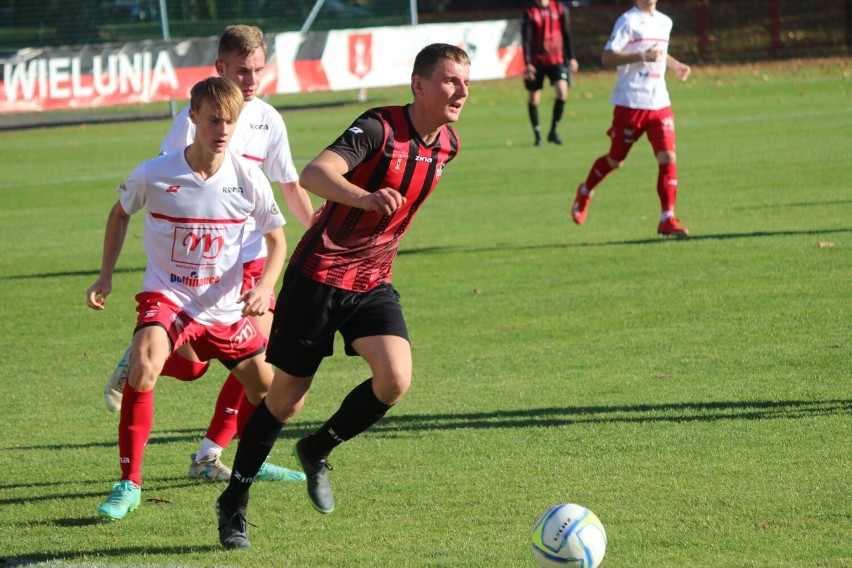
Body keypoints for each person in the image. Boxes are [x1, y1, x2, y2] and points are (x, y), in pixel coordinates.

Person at [213, 42, 470, 549]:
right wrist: (364, 197)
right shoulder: (378, 126)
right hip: (319, 275)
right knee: (285, 398)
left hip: (372, 280)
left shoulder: (449, 146)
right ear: (419, 84)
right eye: (449, 81)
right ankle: (234, 501)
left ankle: (317, 448)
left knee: (395, 377)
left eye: (465, 82)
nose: (461, 91)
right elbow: (314, 174)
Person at [103, 25, 314, 482]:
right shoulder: (194, 117)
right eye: (243, 71)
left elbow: (288, 184)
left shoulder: (268, 119)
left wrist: (313, 232)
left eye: (259, 69)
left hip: (251, 257)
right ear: (221, 68)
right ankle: (142, 357)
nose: (253, 80)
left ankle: (210, 454)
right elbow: (171, 184)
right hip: (198, 268)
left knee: (264, 365)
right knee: (195, 368)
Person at [86, 76, 287, 521]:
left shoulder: (247, 179)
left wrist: (265, 286)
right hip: (169, 295)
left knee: (273, 392)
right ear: (193, 116)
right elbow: (119, 214)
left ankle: (245, 464)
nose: (222, 130)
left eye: (230, 122)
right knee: (144, 366)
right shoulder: (155, 173)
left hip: (225, 306)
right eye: (214, 119)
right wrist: (105, 276)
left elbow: (277, 241)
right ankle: (128, 483)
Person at [571, 0, 692, 238]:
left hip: (659, 102)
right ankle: (585, 191)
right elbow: (607, 57)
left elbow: (660, 54)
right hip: (630, 102)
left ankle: (667, 217)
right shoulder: (628, 21)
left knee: (667, 156)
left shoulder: (665, 21)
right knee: (615, 160)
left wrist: (676, 65)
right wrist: (641, 55)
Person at [522, 0, 579, 146]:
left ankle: (553, 132)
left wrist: (571, 58)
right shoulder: (530, 11)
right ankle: (537, 135)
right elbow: (526, 39)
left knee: (562, 93)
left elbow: (566, 33)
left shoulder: (559, 8)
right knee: (534, 99)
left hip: (557, 60)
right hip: (536, 62)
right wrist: (527, 63)